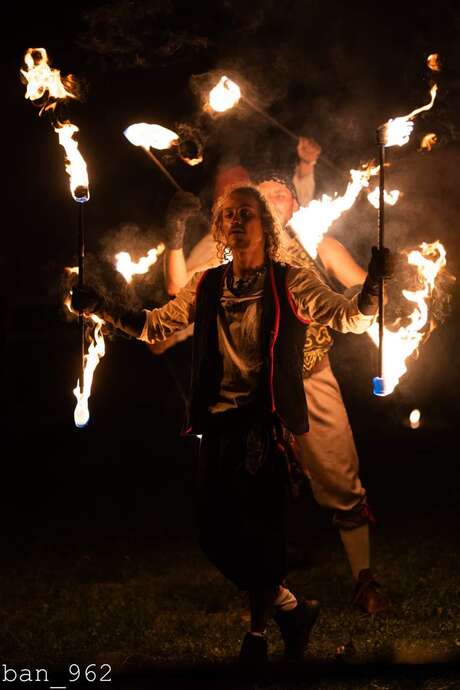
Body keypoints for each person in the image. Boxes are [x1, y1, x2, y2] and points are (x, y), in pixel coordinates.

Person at [71, 185, 393, 668]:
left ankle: (257, 637)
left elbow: (349, 318)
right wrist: (100, 306)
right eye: (227, 215)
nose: (237, 221)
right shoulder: (205, 283)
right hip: (219, 423)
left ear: (265, 224)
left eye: (247, 213)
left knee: (261, 530)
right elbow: (155, 326)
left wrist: (371, 291)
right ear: (220, 229)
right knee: (213, 534)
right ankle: (291, 608)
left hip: (267, 423)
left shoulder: (292, 279)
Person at [160, 171, 389, 615]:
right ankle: (269, 591)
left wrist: (383, 283)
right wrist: (175, 235)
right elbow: (178, 288)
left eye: (281, 192)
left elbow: (361, 287)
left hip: (310, 376)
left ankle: (364, 580)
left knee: (340, 477)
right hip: (250, 389)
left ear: (294, 207)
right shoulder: (227, 251)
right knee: (251, 488)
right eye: (262, 195)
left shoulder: (318, 245)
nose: (271, 198)